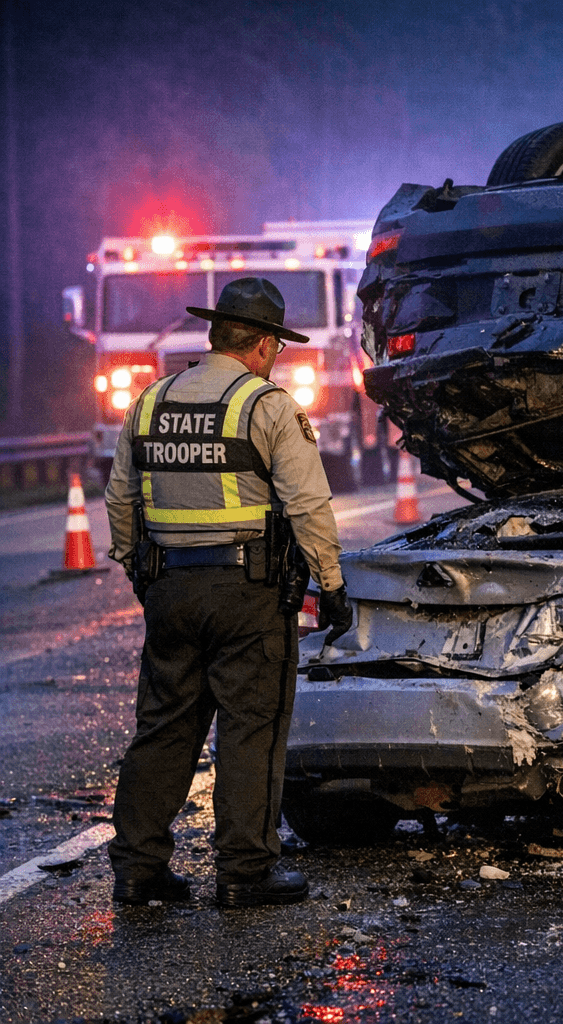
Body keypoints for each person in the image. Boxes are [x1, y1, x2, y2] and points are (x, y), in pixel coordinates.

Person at [105, 278, 353, 908]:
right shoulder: (265, 405)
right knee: (251, 724)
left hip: (169, 589)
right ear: (265, 344)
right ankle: (245, 872)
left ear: (215, 335)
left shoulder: (149, 402)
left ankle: (138, 871)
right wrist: (332, 583)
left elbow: (120, 499)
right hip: (247, 593)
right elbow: (308, 504)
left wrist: (141, 570)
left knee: (163, 726)